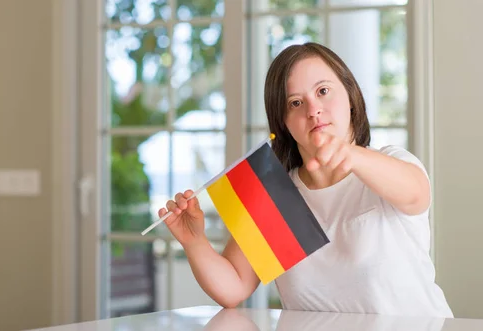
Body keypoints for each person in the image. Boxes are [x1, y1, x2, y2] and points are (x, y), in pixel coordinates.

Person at [158, 42, 453, 318]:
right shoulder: (277, 196)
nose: (314, 110)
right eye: (296, 102)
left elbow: (416, 194)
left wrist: (351, 155)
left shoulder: (392, 163)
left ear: (351, 96)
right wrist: (194, 241)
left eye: (323, 91)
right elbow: (233, 287)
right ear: (283, 122)